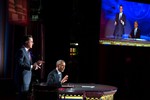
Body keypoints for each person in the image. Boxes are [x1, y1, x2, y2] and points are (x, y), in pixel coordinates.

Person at [14, 35, 44, 100]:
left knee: (25, 96)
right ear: (26, 42)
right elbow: (19, 64)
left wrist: (36, 64)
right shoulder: (21, 51)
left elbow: (28, 64)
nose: (33, 43)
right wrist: (31, 66)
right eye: (31, 41)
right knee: (22, 97)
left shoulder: (28, 52)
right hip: (22, 79)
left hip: (27, 79)